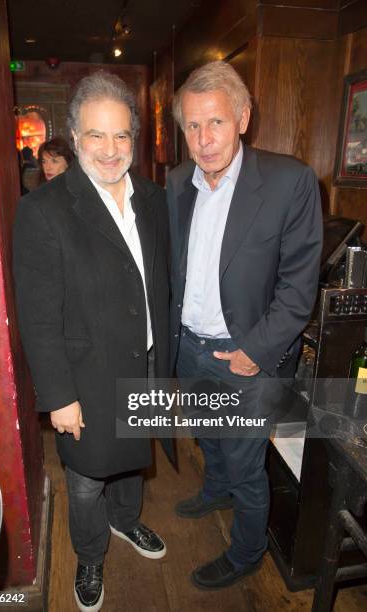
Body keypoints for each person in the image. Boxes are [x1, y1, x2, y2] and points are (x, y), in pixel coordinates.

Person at [13, 71, 172, 612]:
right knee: (84, 479)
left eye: (122, 135)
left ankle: (127, 523)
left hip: (145, 362)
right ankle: (89, 554)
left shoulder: (152, 198)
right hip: (85, 374)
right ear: (75, 138)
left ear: (134, 139)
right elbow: (37, 317)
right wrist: (58, 395)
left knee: (133, 459)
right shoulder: (43, 210)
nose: (110, 149)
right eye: (96, 136)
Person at [167, 60, 323, 590]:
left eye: (215, 122)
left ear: (243, 118)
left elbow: (298, 289)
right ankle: (214, 491)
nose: (204, 138)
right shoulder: (175, 185)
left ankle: (247, 553)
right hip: (189, 347)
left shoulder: (290, 181)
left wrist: (255, 350)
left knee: (247, 462)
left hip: (245, 356)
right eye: (192, 125)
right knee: (209, 437)